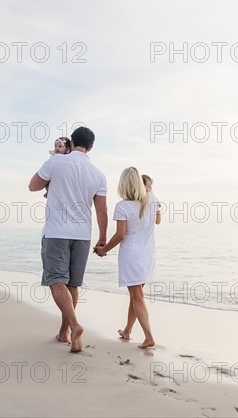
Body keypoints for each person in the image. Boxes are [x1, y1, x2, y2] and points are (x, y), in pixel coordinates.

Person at [28, 126, 108, 353]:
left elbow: (33, 186)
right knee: (72, 284)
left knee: (56, 281)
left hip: (56, 232)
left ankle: (74, 326)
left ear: (71, 142)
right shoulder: (98, 174)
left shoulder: (55, 162)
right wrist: (102, 238)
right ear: (91, 147)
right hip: (82, 235)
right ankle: (65, 333)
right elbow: (102, 210)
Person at [94, 167, 161, 349]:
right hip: (148, 255)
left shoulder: (123, 206)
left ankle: (148, 337)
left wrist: (104, 249)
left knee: (136, 296)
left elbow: (120, 235)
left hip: (132, 257)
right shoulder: (152, 201)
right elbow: (157, 221)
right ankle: (128, 331)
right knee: (136, 295)